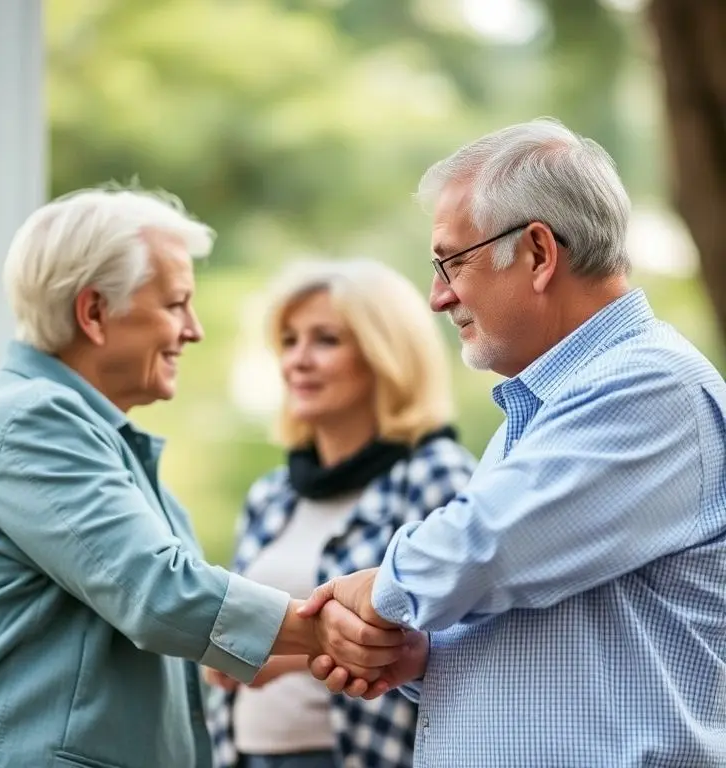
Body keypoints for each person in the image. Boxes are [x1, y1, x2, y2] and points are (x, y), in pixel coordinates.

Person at [302, 118, 726, 767]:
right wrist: (425, 653)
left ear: (538, 253)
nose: (438, 296)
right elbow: (541, 606)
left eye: (452, 262)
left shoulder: (651, 385)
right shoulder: (541, 410)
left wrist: (379, 589)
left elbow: (488, 550)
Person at [0, 189, 407, 768]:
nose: (192, 330)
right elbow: (158, 591)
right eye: (175, 305)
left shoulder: (83, 434)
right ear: (93, 313)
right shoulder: (34, 421)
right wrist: (323, 630)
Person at [206, 259, 476, 768]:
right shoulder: (272, 495)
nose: (298, 360)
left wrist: (287, 654)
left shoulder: (434, 474)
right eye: (289, 341)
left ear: (384, 355)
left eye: (325, 340)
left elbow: (464, 640)